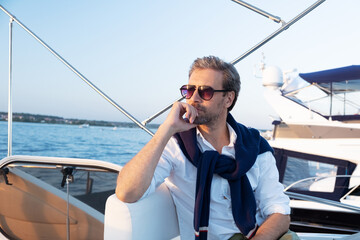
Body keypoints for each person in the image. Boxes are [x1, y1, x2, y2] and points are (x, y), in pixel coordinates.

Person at [116, 56, 292, 240]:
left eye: (205, 92)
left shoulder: (255, 146)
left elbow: (279, 213)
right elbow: (127, 192)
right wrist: (165, 129)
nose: (194, 98)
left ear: (228, 99)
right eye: (189, 90)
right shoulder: (176, 145)